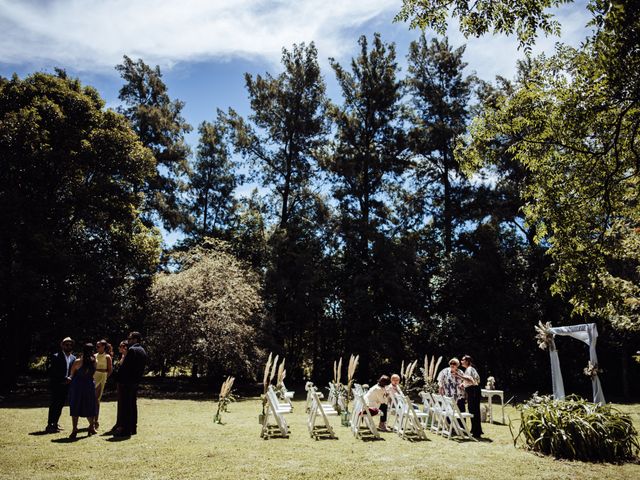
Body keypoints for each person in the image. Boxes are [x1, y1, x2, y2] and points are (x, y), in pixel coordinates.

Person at [113, 331, 147, 437]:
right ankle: (133, 427)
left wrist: (118, 375)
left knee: (126, 406)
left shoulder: (132, 350)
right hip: (135, 381)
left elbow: (125, 368)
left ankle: (126, 429)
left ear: (135, 339)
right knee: (132, 405)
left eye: (130, 338)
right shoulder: (142, 350)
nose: (128, 340)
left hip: (127, 382)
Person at [45, 337, 76, 433]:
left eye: (70, 344)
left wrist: (70, 378)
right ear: (62, 345)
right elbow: (53, 371)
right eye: (67, 344)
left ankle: (55, 423)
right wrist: (63, 378)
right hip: (57, 384)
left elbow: (73, 371)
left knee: (61, 405)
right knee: (54, 404)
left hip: (67, 385)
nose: (69, 346)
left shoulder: (73, 358)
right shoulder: (56, 356)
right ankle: (50, 424)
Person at [68, 343, 98, 439]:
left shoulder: (78, 362)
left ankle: (74, 429)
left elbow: (72, 374)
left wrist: (69, 378)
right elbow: (93, 374)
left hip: (78, 386)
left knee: (75, 405)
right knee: (89, 406)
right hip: (89, 385)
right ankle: (91, 427)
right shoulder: (95, 361)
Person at [459, 354, 483, 438]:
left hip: (473, 391)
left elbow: (470, 380)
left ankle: (477, 432)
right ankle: (475, 430)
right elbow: (469, 380)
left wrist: (458, 375)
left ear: (467, 361)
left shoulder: (469, 369)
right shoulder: (468, 369)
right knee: (472, 410)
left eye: (463, 360)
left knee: (474, 410)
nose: (461, 361)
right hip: (472, 390)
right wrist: (463, 384)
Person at [93, 340, 113, 430]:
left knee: (97, 399)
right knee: (92, 399)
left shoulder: (107, 356)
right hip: (93, 377)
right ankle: (92, 420)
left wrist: (104, 377)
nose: (97, 348)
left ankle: (96, 420)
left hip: (102, 377)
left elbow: (110, 370)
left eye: (98, 346)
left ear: (103, 347)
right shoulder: (94, 356)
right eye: (96, 346)